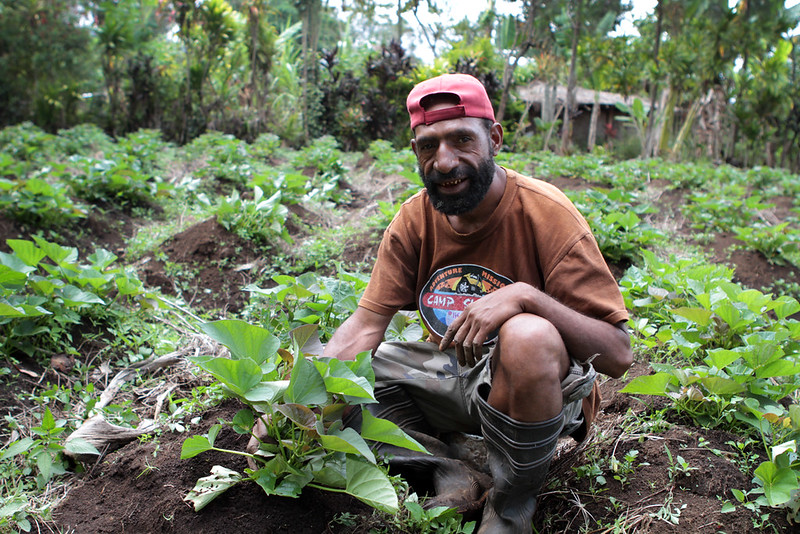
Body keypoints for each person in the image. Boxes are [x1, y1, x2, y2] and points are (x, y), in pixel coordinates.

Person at [322, 73, 633, 533]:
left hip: (536, 388)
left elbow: (619, 356)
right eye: (428, 146)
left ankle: (510, 509)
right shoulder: (413, 220)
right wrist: (297, 400)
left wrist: (526, 297)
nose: (444, 162)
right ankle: (447, 467)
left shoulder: (547, 214)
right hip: (450, 373)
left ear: (495, 138)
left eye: (461, 140)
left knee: (528, 333)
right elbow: (366, 328)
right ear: (415, 152)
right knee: (339, 380)